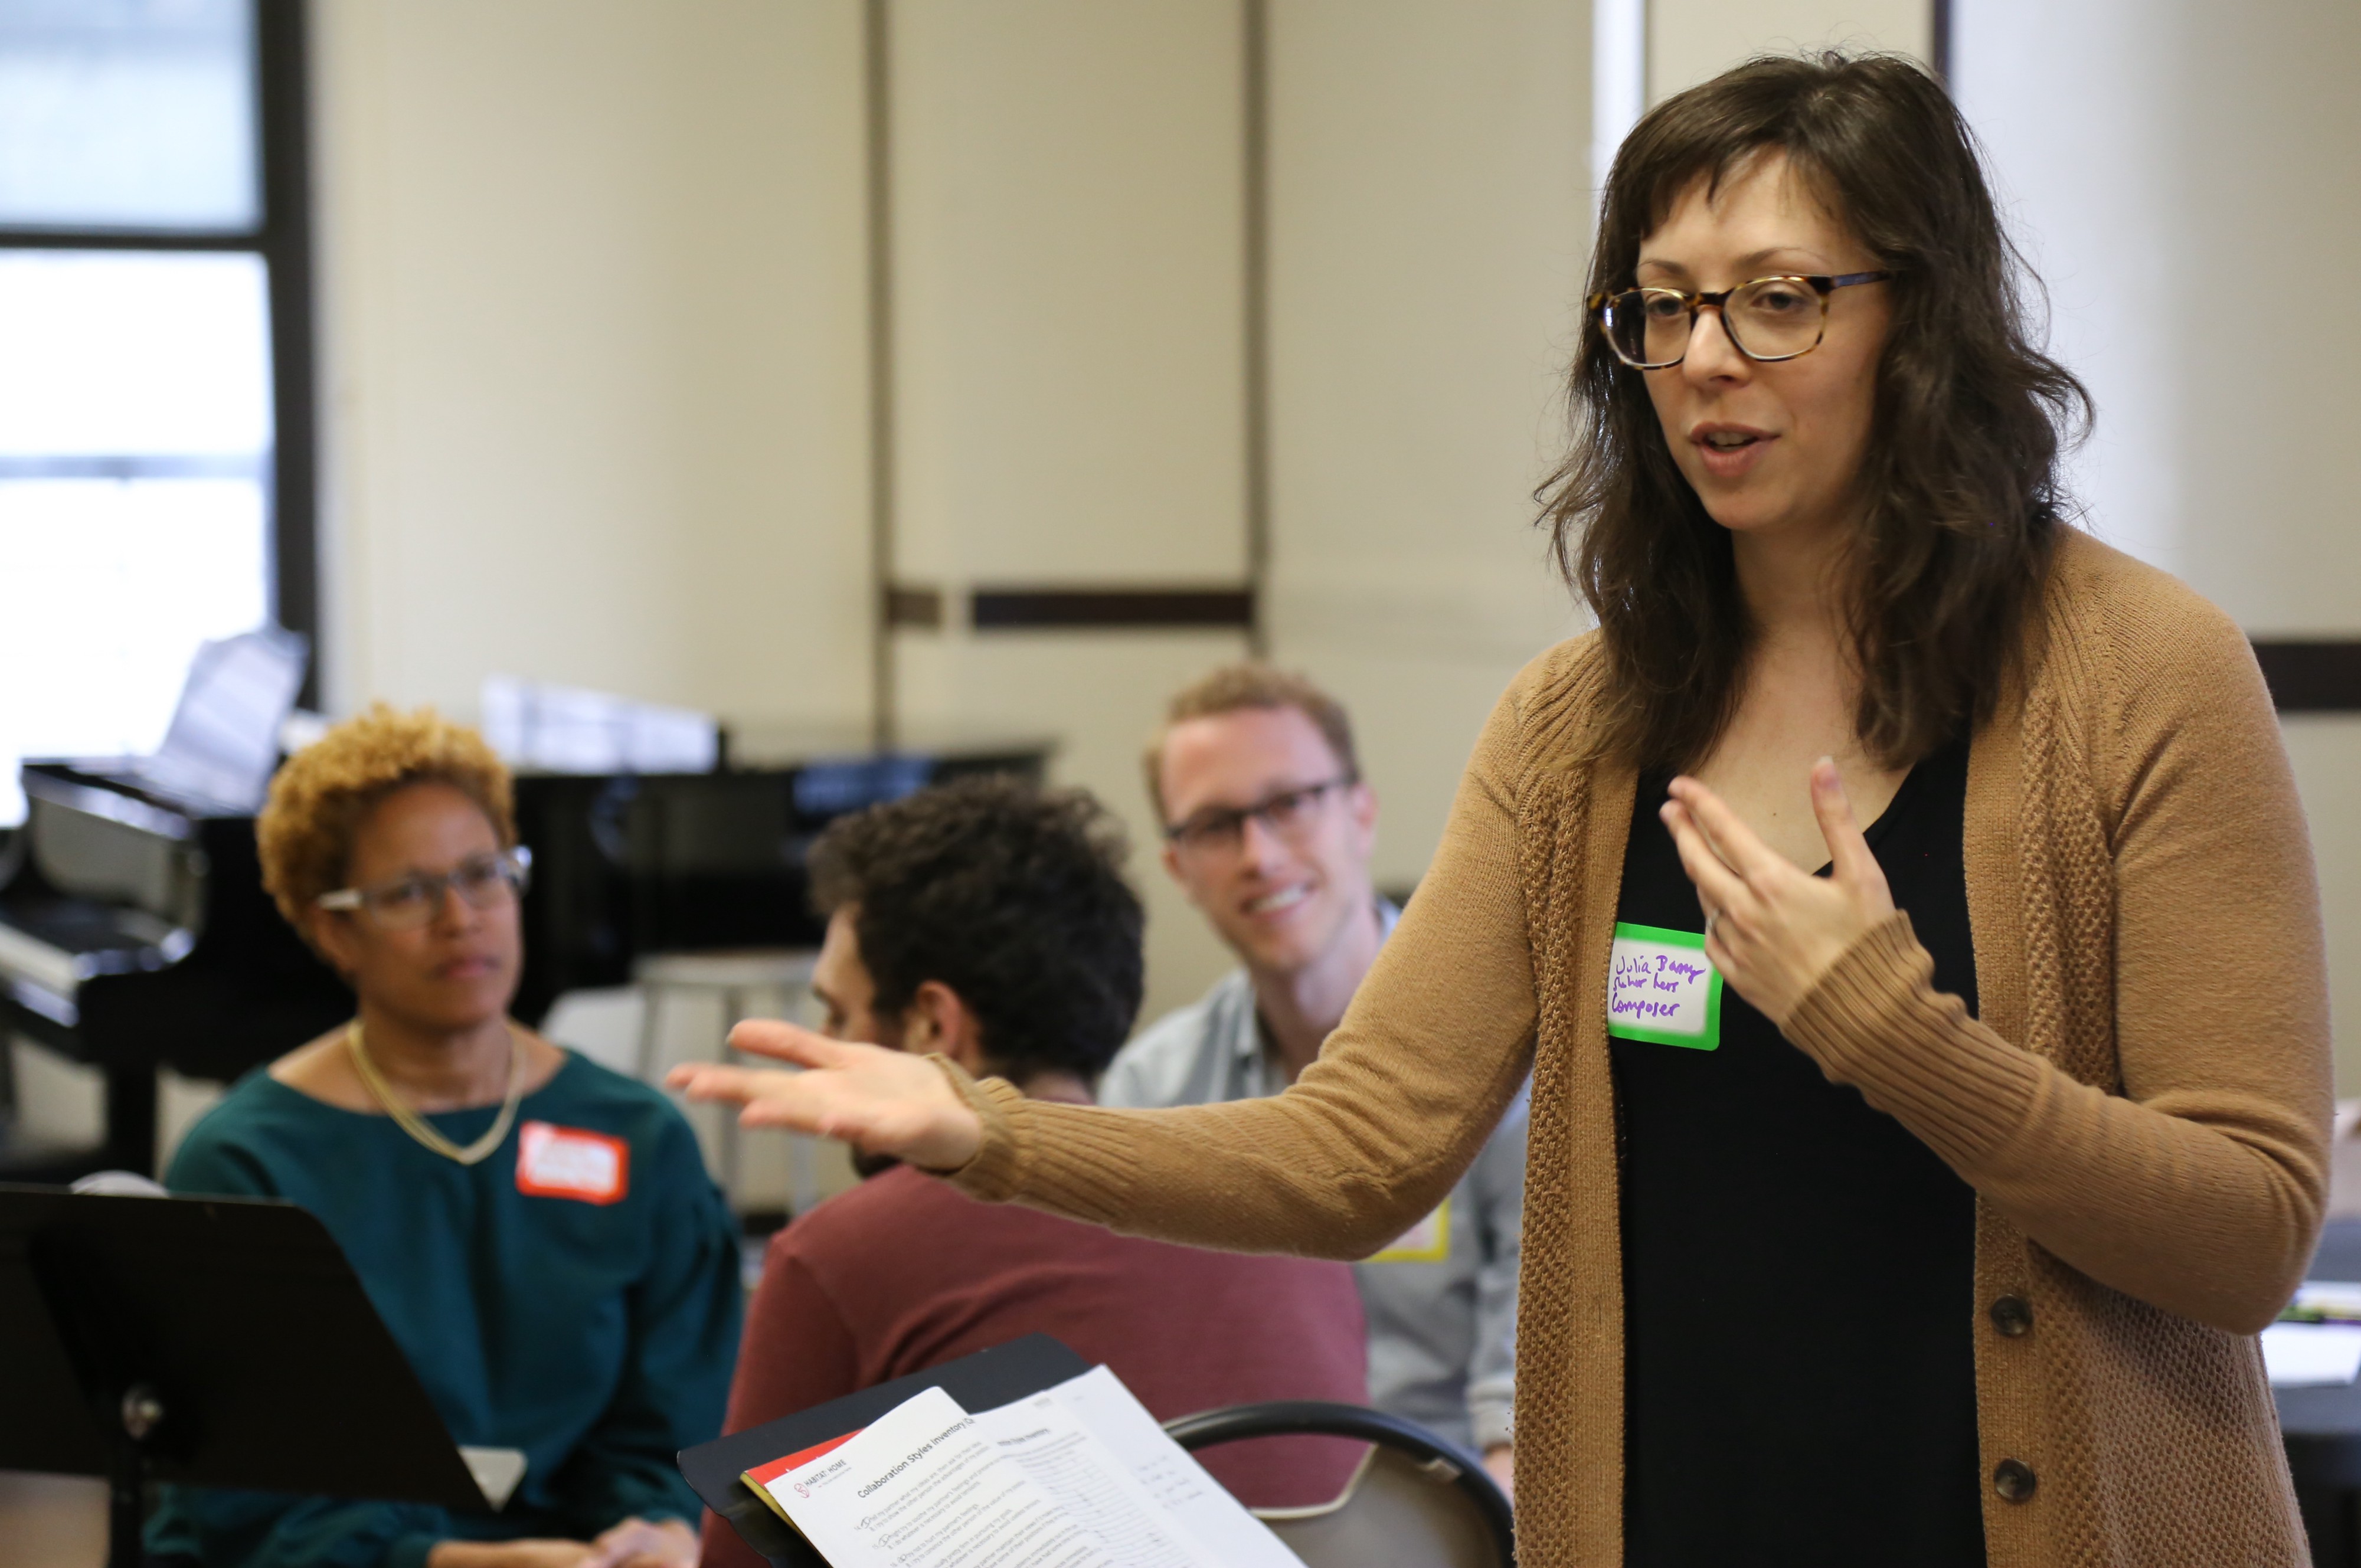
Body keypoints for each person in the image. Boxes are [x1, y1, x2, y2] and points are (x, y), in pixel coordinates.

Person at [672, 52, 2331, 1567]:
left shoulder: (2140, 674)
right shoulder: (1581, 724)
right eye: (1660, 309)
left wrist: (1903, 1040)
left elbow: (2252, 1233)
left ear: (1926, 318)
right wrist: (990, 1130)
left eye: (1776, 301)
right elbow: (1356, 1155)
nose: (1705, 363)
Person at [699, 776, 1368, 1568]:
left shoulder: (838, 1254)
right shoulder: (1287, 1219)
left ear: (933, 1024)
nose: (825, 1040)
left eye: (840, 1015)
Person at [151, 707, 740, 1568]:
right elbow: (245, 1502)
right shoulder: (248, 1159)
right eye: (409, 892)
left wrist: (654, 1528)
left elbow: (670, 1432)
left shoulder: (637, 1135)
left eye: (484, 874)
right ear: (332, 928)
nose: (461, 917)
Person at [1101, 664, 1524, 1487]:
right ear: (1178, 867)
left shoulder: (1511, 1061)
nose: (1259, 855)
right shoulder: (1152, 1087)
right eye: (1217, 826)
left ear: (1360, 812)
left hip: (1454, 1513)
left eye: (1289, 804)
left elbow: (1527, 1416)